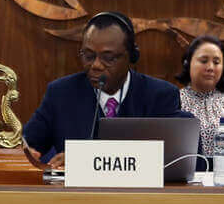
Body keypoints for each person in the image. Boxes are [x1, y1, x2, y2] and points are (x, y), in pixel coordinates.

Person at [23, 12, 185, 169]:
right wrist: (27, 153)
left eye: (108, 58)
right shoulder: (60, 93)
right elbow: (29, 146)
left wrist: (85, 158)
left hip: (141, 195)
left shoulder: (160, 95)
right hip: (77, 195)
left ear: (131, 56)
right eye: (88, 56)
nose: (96, 65)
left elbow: (176, 157)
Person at [175, 34, 224, 157]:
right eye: (203, 61)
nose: (210, 68)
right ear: (187, 64)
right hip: (188, 173)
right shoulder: (175, 99)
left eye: (216, 62)